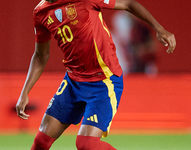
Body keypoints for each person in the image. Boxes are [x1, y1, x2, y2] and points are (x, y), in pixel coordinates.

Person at [16, 0, 176, 149]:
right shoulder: (40, 12)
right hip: (73, 82)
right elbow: (40, 55)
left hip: (103, 81)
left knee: (86, 144)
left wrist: (159, 28)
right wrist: (24, 92)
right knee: (41, 142)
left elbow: (128, 3)